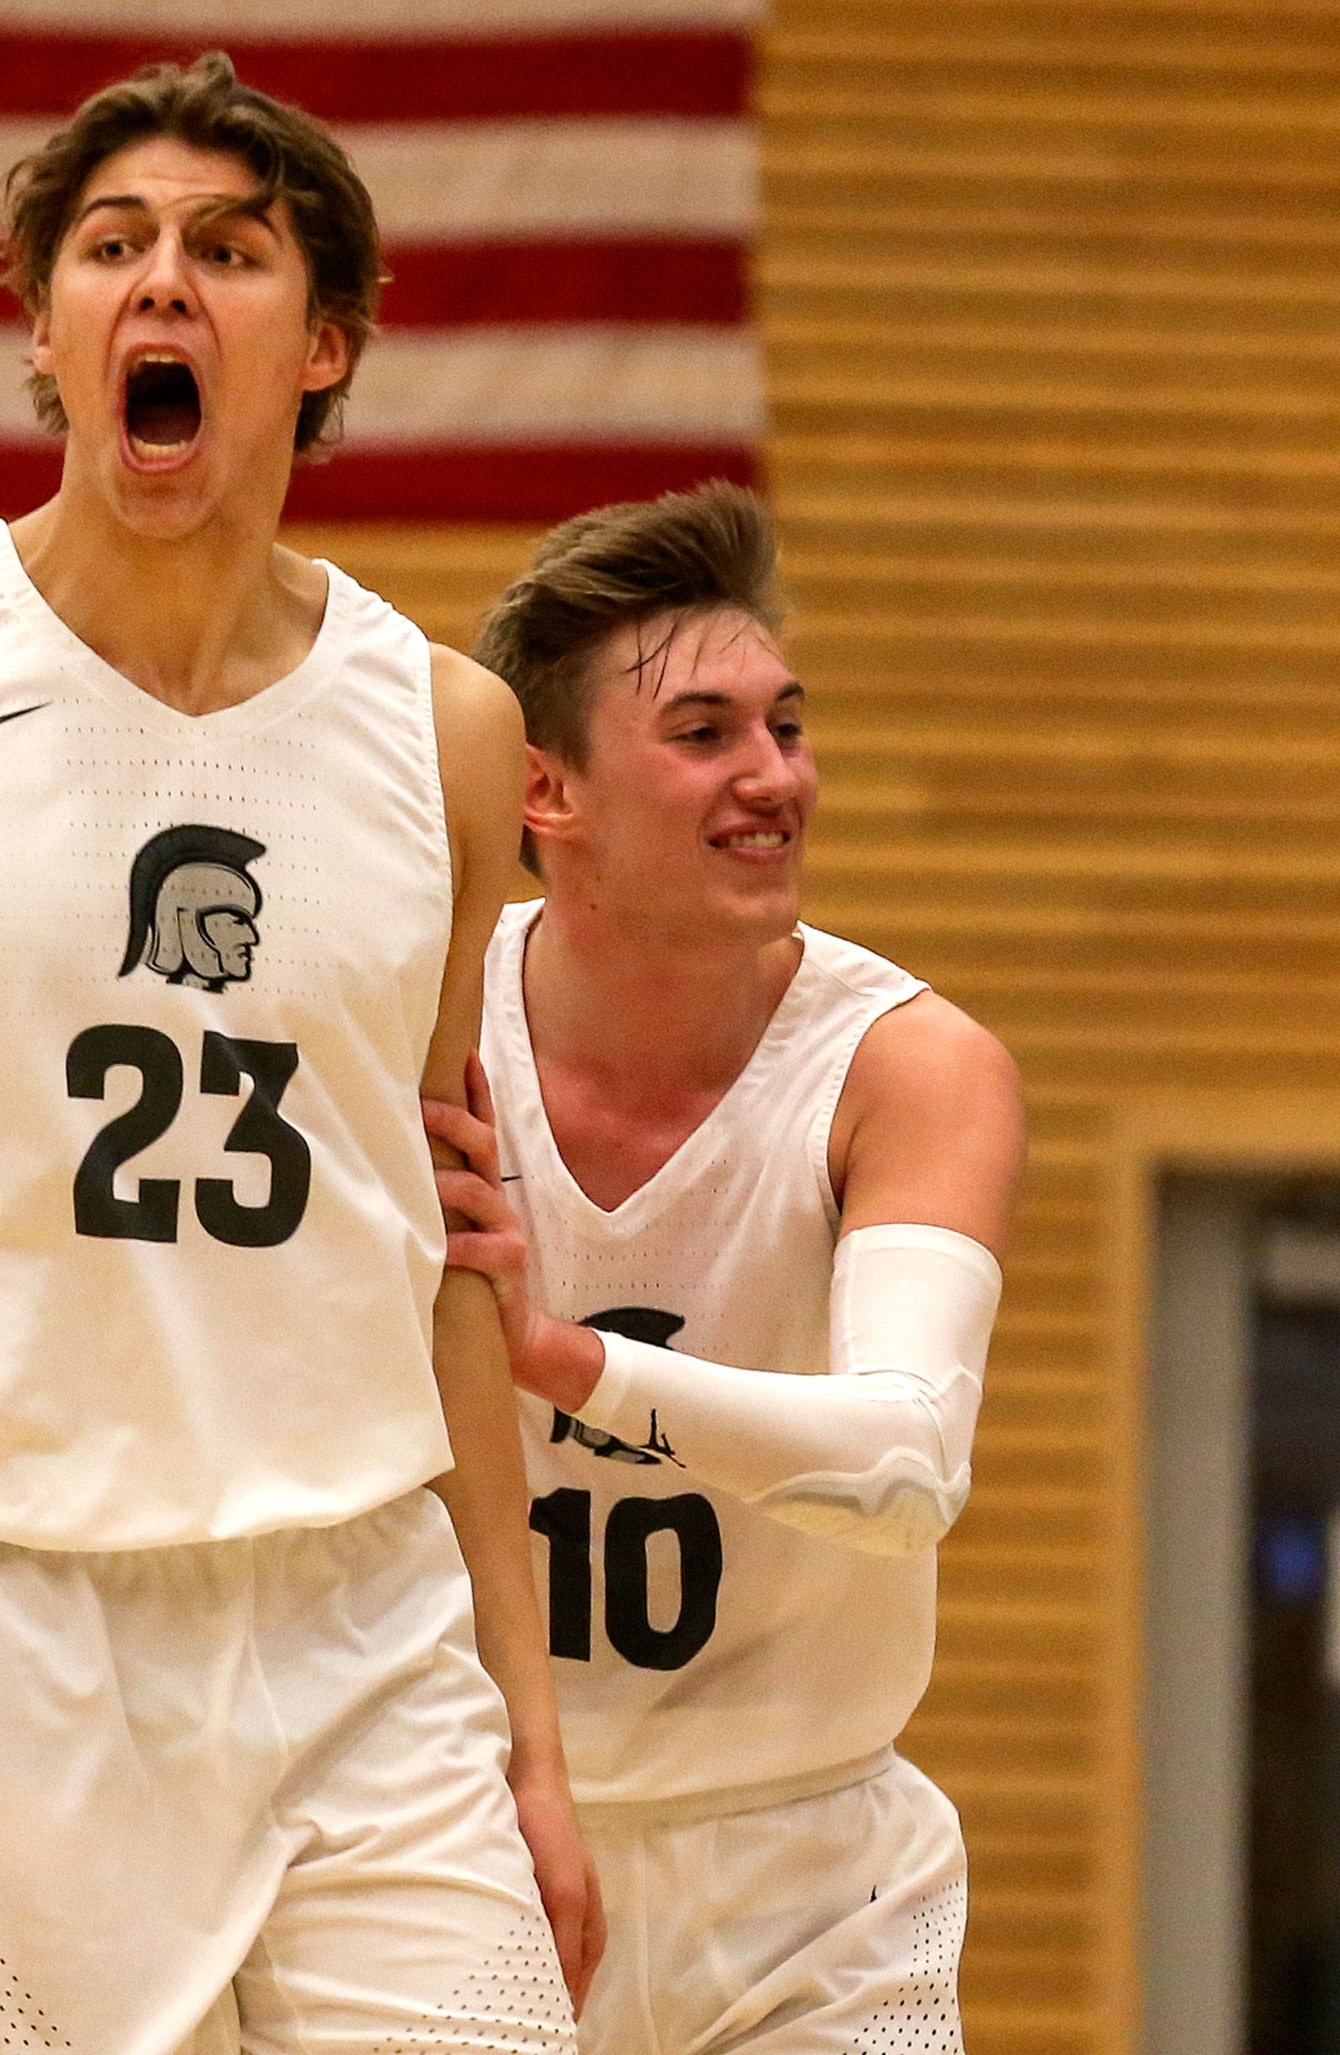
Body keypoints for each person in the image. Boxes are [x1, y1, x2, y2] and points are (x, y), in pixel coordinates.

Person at [0, 53, 598, 2055]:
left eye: (228, 253)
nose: (161, 286)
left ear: (320, 345)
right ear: (46, 332)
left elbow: (450, 1250)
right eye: (110, 246)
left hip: (365, 1620)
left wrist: (534, 1723)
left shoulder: (449, 731)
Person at [426, 483, 1023, 2052]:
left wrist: (561, 1359)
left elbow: (907, 1460)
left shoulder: (908, 1068)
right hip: (457, 1845)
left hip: (813, 1885)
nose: (775, 778)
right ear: (544, 791)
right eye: (704, 735)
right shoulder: (410, 1021)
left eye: (788, 726)